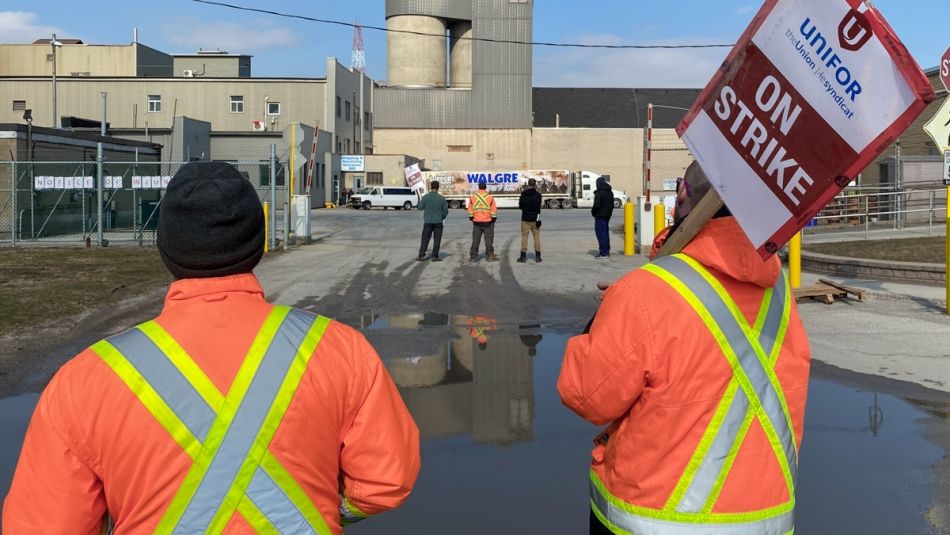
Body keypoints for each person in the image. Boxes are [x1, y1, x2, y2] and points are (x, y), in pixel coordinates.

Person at [3, 162, 421, 535]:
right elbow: (385, 481)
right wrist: (332, 511)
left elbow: (43, 524)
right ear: (257, 247)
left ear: (165, 249)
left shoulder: (86, 379)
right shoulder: (340, 350)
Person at [559, 162, 810, 535]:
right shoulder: (778, 293)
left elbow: (586, 396)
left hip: (656, 519)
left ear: (681, 194)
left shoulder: (643, 293)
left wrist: (606, 317)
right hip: (764, 520)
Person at [417, 180, 449, 262]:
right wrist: (442, 217)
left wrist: (420, 202)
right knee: (437, 239)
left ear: (431, 187)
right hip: (438, 222)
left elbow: (420, 208)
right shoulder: (441, 198)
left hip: (428, 222)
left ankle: (421, 255)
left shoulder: (425, 197)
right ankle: (435, 256)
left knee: (425, 239)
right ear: (438, 187)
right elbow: (445, 211)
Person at [468, 181, 498, 262]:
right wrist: (493, 219)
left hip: (476, 222)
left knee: (475, 240)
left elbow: (470, 209)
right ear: (485, 187)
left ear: (478, 187)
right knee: (489, 240)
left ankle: (473, 257)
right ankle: (490, 256)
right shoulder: (490, 197)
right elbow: (494, 210)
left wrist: (471, 217)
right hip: (488, 222)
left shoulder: (473, 197)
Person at [517, 178, 542, 263]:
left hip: (525, 218)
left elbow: (520, 206)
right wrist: (538, 219)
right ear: (535, 184)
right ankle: (538, 257)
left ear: (528, 184)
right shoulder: (538, 195)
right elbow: (539, 208)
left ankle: (523, 256)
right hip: (535, 219)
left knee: (524, 237)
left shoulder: (523, 194)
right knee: (536, 237)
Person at [591, 176, 614, 259]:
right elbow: (612, 205)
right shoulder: (610, 192)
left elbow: (596, 205)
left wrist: (593, 212)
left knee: (601, 234)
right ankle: (606, 250)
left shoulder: (599, 193)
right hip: (607, 216)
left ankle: (603, 253)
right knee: (605, 233)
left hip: (600, 216)